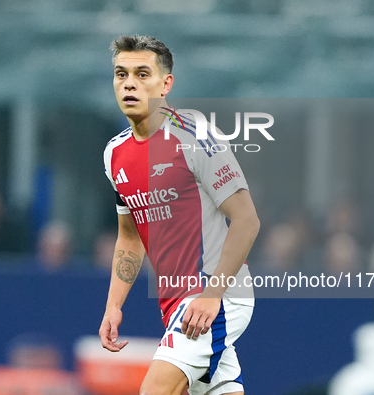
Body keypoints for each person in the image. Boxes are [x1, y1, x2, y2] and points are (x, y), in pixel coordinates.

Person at [99, 35, 260, 395]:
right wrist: (113, 306)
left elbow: (247, 219)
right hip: (175, 303)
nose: (129, 83)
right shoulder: (115, 154)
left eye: (142, 74)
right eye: (121, 73)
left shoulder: (194, 135)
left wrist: (211, 295)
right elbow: (129, 236)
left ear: (165, 83)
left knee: (154, 390)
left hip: (216, 292)